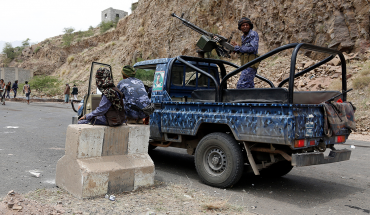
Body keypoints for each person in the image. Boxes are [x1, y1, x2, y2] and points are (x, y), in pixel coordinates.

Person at [231, 17, 259, 89]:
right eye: (243, 25)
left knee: (241, 85)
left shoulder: (253, 34)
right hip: (245, 64)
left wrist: (239, 48)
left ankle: (241, 99)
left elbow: (253, 48)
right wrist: (237, 47)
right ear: (240, 27)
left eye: (247, 25)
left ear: (250, 26)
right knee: (249, 85)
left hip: (250, 64)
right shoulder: (243, 37)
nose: (245, 27)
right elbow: (245, 49)